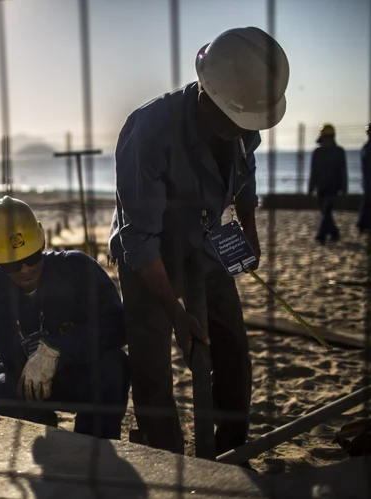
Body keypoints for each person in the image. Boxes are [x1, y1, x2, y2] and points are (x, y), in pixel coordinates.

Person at [109, 27, 289, 455]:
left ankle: (231, 455)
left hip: (208, 246)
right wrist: (175, 310)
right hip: (147, 258)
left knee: (233, 354)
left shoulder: (245, 123)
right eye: (237, 121)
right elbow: (140, 241)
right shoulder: (149, 133)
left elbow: (245, 180)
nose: (243, 129)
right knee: (153, 370)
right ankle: (169, 460)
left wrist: (249, 231)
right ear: (208, 92)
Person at [0, 196, 130, 439]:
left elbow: (116, 324)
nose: (26, 270)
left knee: (115, 367)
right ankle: (38, 431)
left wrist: (57, 350)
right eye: (12, 265)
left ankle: (96, 449)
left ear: (42, 243)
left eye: (32, 258)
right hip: (22, 383)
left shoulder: (78, 269)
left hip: (83, 375)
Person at [309, 124, 348, 244]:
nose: (327, 139)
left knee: (326, 210)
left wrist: (344, 188)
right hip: (321, 187)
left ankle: (321, 236)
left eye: (329, 136)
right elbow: (313, 171)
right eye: (326, 136)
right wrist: (311, 187)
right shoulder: (317, 152)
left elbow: (343, 171)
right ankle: (334, 233)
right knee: (326, 213)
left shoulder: (339, 152)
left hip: (333, 187)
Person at [358, 124, 370, 233]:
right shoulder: (366, 148)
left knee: (366, 202)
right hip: (368, 180)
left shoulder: (365, 148)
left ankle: (362, 224)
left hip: (367, 180)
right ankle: (362, 224)